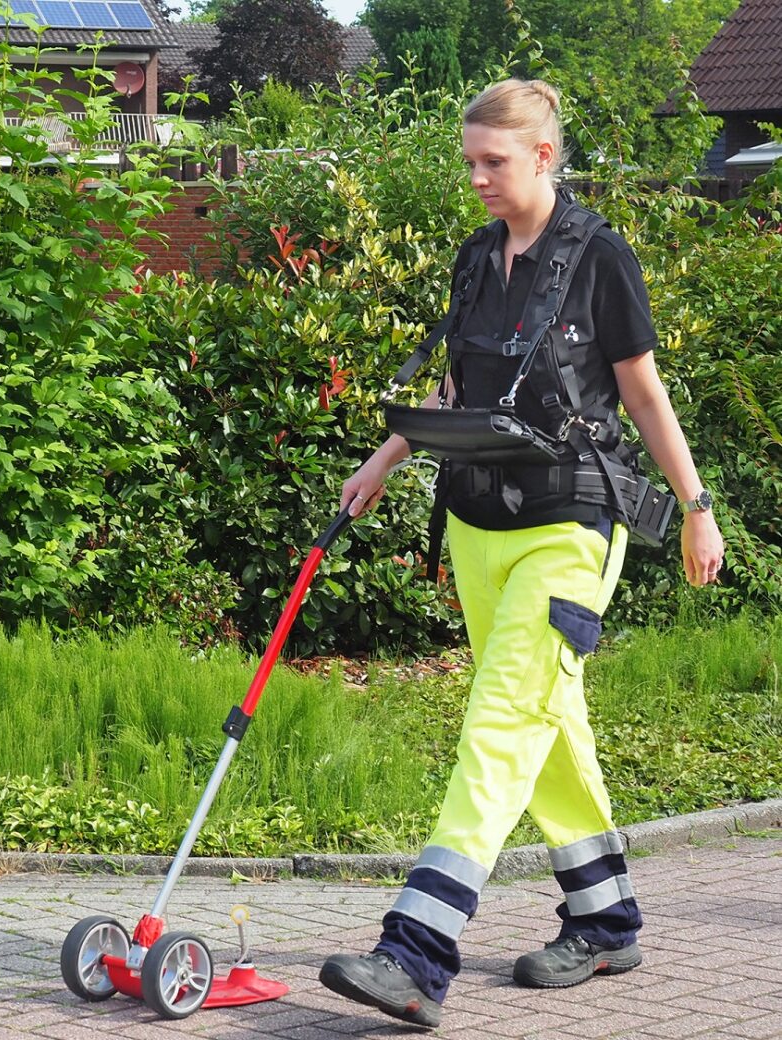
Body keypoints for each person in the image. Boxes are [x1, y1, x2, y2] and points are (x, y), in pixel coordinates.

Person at [317, 78, 726, 1029]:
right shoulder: (474, 258)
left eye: (490, 162)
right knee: (547, 719)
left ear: (543, 155)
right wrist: (384, 459)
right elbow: (464, 380)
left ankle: (415, 953)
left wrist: (695, 505)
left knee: (501, 719)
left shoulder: (600, 257)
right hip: (474, 520)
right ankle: (606, 919)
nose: (475, 179)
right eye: (468, 162)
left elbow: (642, 393)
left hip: (569, 518)